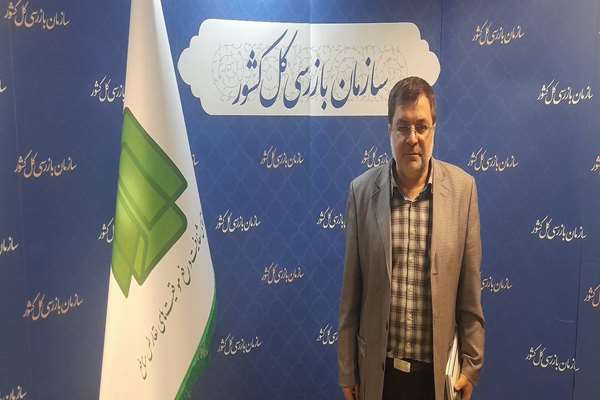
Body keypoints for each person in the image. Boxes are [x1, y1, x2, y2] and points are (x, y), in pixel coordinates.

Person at [337, 76, 485, 400]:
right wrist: (348, 371)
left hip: (436, 380)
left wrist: (471, 366)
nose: (413, 138)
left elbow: (470, 295)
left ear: (434, 129)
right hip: (379, 377)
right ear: (389, 130)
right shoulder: (361, 193)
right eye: (403, 127)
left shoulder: (463, 192)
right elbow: (351, 295)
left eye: (422, 126)